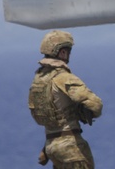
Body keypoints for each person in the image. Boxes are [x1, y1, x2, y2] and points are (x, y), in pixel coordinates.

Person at [28, 30, 103, 168]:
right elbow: (96, 105)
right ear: (62, 52)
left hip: (51, 145)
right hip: (70, 147)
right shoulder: (63, 77)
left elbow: (52, 115)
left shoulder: (40, 78)